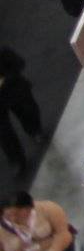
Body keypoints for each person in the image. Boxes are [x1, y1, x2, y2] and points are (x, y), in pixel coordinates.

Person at [0, 50, 42, 178]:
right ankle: (17, 160)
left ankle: (34, 131)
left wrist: (5, 79)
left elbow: (18, 63)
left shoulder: (2, 53)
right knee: (4, 134)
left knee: (27, 111)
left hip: (13, 89)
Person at [0, 192, 74, 251]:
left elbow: (64, 234)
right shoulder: (3, 231)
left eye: (16, 214)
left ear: (26, 209)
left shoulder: (48, 209)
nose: (13, 219)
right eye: (8, 217)